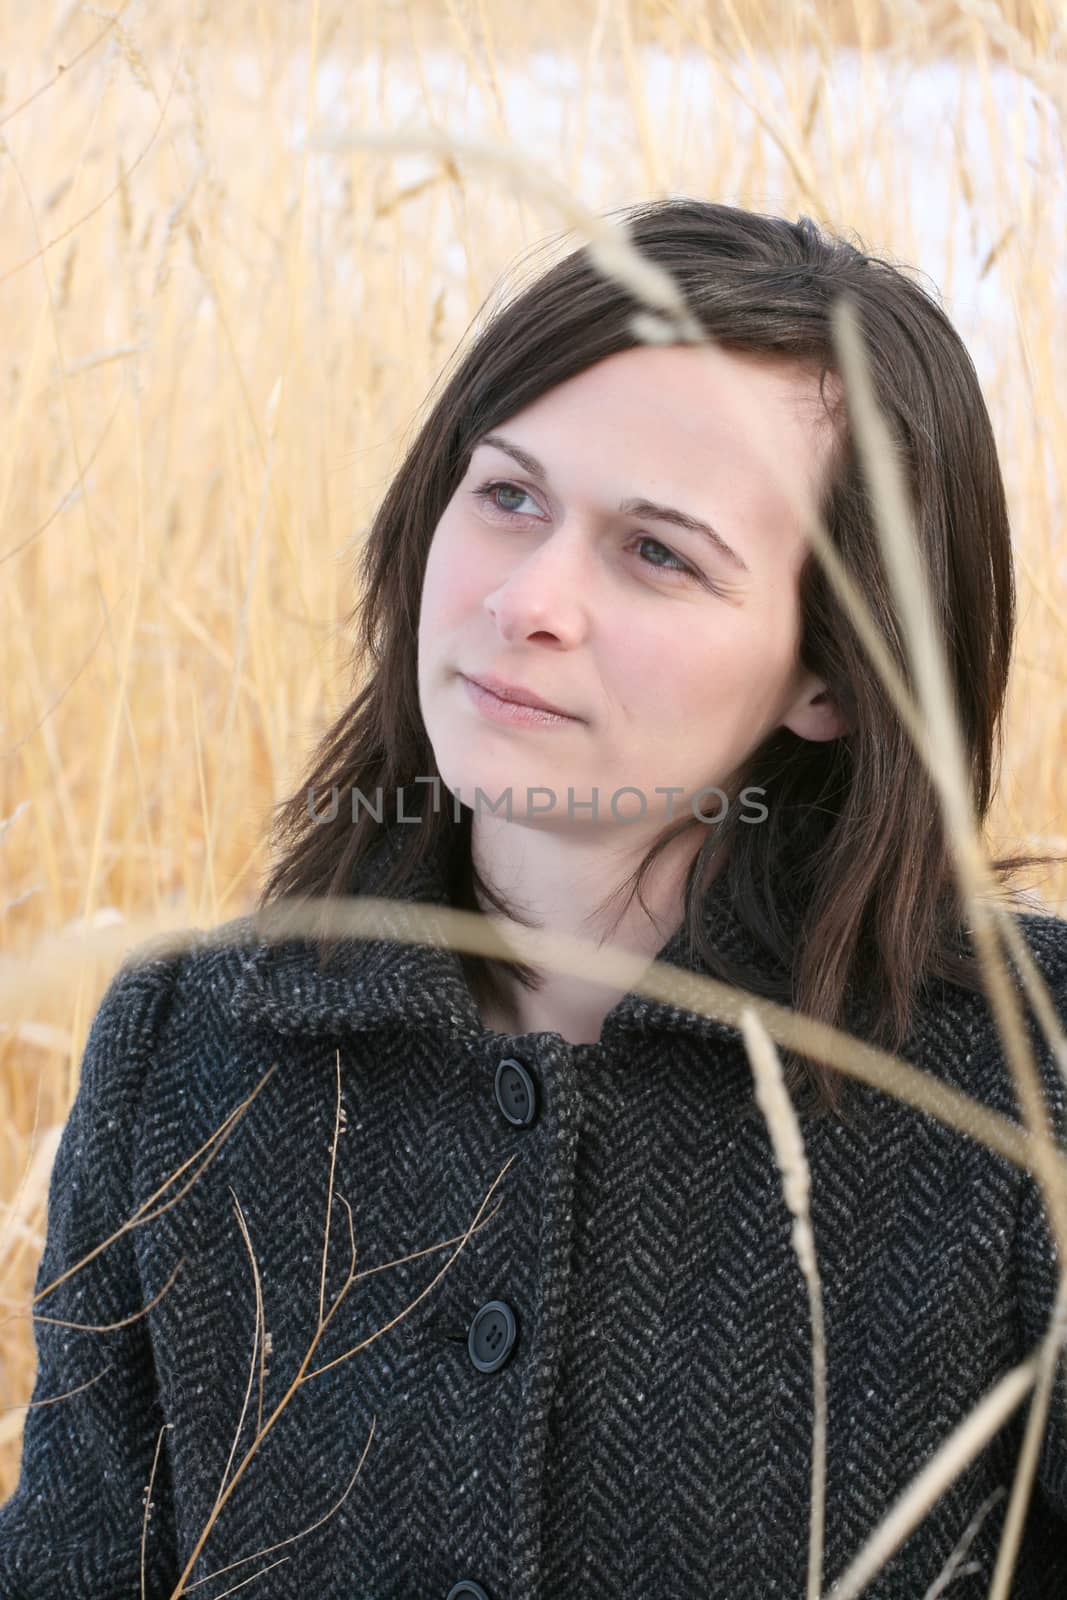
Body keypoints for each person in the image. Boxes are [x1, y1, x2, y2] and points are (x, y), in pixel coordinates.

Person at [2, 196, 1066, 1599]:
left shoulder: (1026, 1066)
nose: (529, 599)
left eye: (658, 552)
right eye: (509, 495)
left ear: (832, 674)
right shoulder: (189, 1054)